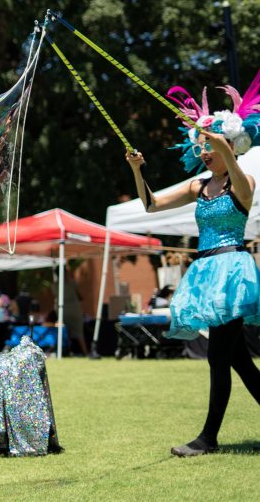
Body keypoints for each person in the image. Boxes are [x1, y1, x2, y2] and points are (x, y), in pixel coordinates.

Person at [126, 74, 260, 457]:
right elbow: (150, 204)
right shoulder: (198, 186)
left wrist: (216, 133)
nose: (202, 152)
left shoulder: (242, 181)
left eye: (209, 146)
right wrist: (138, 170)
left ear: (229, 146)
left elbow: (230, 158)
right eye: (200, 147)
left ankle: (208, 440)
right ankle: (208, 439)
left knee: (219, 356)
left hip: (232, 273)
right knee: (239, 362)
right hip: (206, 273)